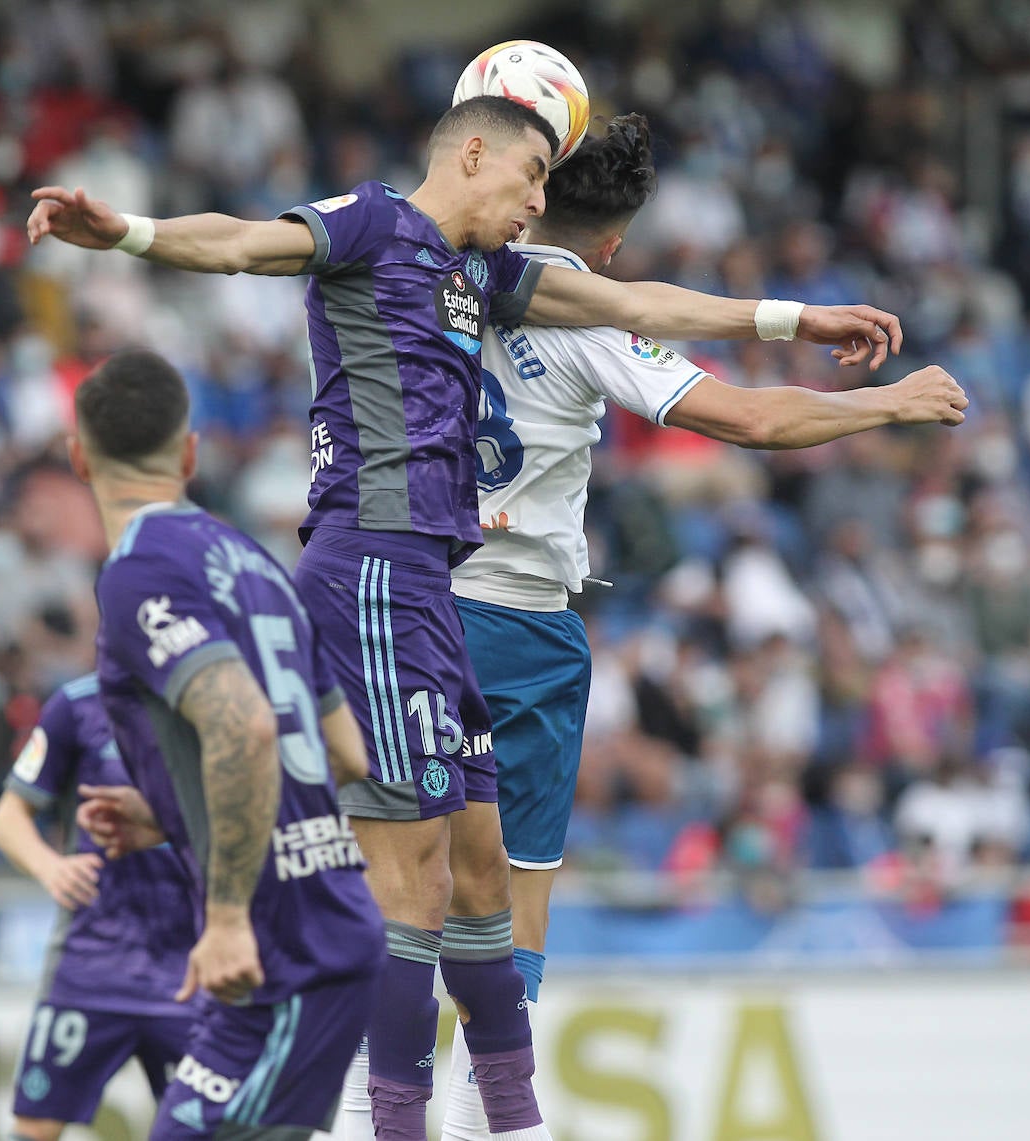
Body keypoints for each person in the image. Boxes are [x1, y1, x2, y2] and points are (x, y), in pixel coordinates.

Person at [26, 95, 908, 1141]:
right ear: (476, 152)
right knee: (412, 889)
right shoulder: (368, 222)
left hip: (434, 595)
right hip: (369, 579)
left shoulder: (479, 275)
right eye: (532, 175)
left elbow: (642, 307)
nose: (540, 200)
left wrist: (793, 319)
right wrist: (124, 232)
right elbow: (245, 246)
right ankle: (388, 1125)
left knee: (481, 884)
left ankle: (516, 1126)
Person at [320, 113, 962, 1140]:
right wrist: (890, 403)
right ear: (612, 243)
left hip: (395, 602)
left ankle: (370, 1117)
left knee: (398, 895)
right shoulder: (587, 317)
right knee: (503, 911)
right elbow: (754, 420)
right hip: (517, 637)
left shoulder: (432, 258)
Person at [65, 347, 384, 1140]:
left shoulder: (138, 569)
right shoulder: (255, 563)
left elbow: (243, 724)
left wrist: (231, 914)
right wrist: (173, 806)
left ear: (78, 454)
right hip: (314, 927)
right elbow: (345, 754)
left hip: (282, 945)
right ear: (189, 452)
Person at [0, 675, 198, 1141]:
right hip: (93, 960)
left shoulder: (213, 700)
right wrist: (49, 866)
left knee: (205, 1130)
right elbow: (9, 815)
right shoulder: (77, 704)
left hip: (193, 965)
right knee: (36, 1125)